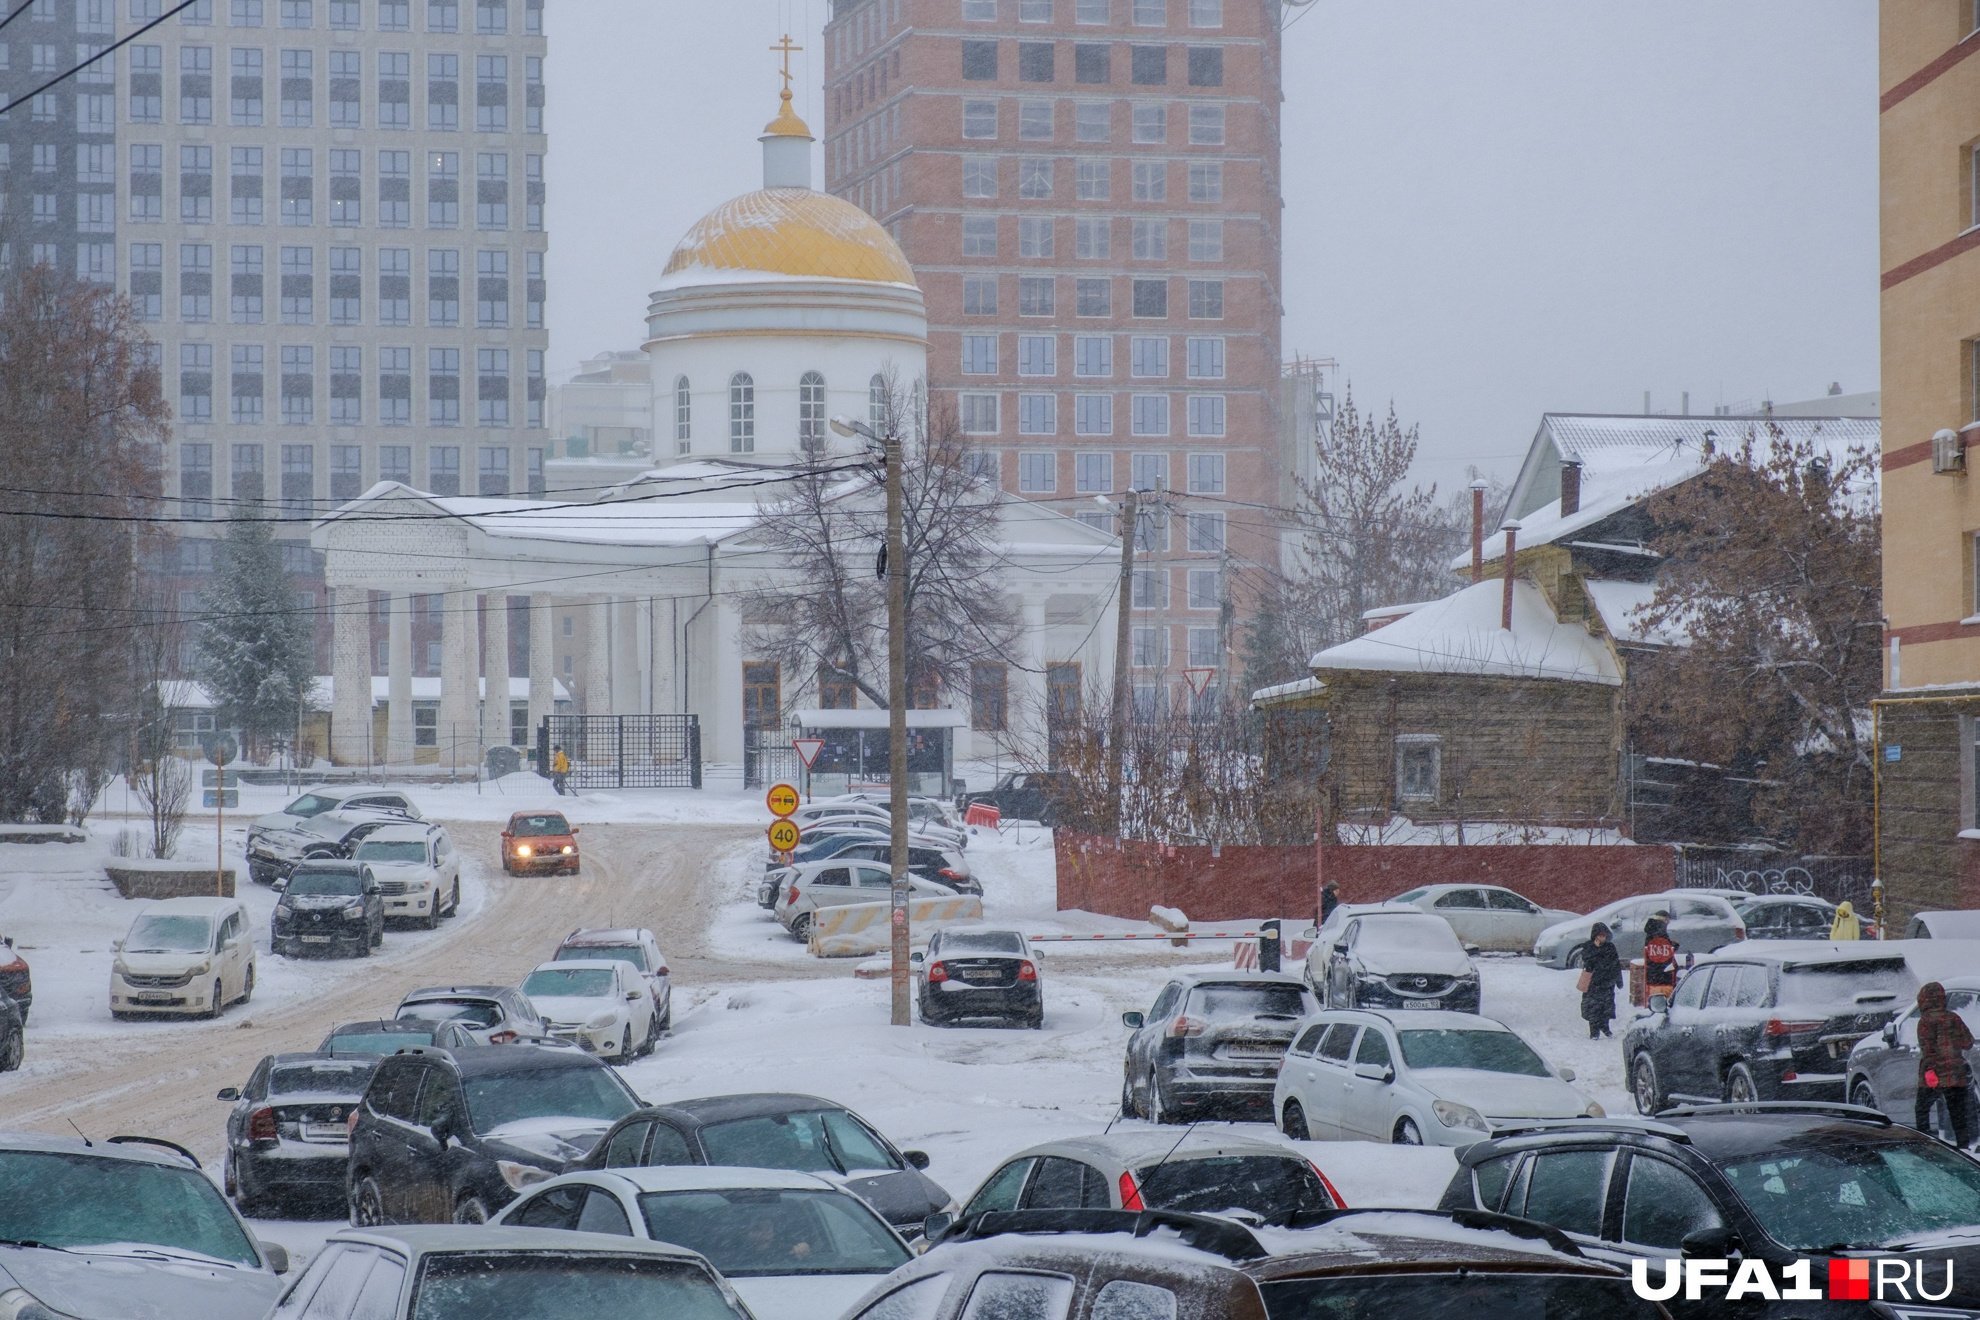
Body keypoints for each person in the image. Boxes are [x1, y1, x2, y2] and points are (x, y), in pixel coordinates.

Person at [1916, 981, 1976, 1148]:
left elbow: (1927, 1049)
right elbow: (1968, 1042)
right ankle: (1963, 1147)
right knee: (1958, 1114)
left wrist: (1929, 1070)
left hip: (1934, 1075)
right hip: (1956, 1074)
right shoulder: (1954, 1018)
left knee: (1922, 1110)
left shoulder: (1925, 1021)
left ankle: (1924, 1143)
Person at [1578, 922, 1622, 1039]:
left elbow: (1616, 963)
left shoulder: (1610, 947)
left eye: (1604, 935)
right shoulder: (1588, 947)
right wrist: (1597, 949)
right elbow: (1588, 960)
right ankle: (1594, 1031)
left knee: (1606, 1007)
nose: (1602, 938)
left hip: (1607, 982)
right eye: (1600, 935)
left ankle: (1605, 1026)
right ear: (1595, 936)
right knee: (1593, 1007)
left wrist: (1618, 980)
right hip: (1593, 983)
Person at [1643, 913, 1678, 1012]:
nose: (1668, 923)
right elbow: (1665, 951)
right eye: (1668, 921)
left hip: (1651, 968)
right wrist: (1674, 945)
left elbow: (1655, 948)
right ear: (1664, 920)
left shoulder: (1651, 929)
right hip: (1662, 970)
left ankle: (1654, 1003)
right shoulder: (1660, 929)